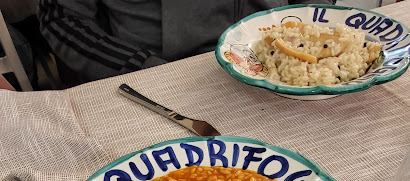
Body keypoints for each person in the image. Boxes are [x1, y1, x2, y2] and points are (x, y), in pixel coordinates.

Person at [38, 0, 336, 85]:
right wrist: (141, 66)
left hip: (289, 62)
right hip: (160, 72)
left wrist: (314, 30)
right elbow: (62, 19)